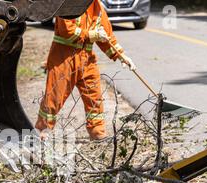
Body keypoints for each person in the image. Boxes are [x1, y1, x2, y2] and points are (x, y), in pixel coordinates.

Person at [35, 0, 136, 140]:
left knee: (94, 97)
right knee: (54, 98)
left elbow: (106, 35)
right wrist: (91, 34)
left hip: (87, 60)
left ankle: (97, 133)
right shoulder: (68, 4)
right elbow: (67, 31)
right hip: (63, 59)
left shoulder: (98, 7)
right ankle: (42, 131)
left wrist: (122, 56)